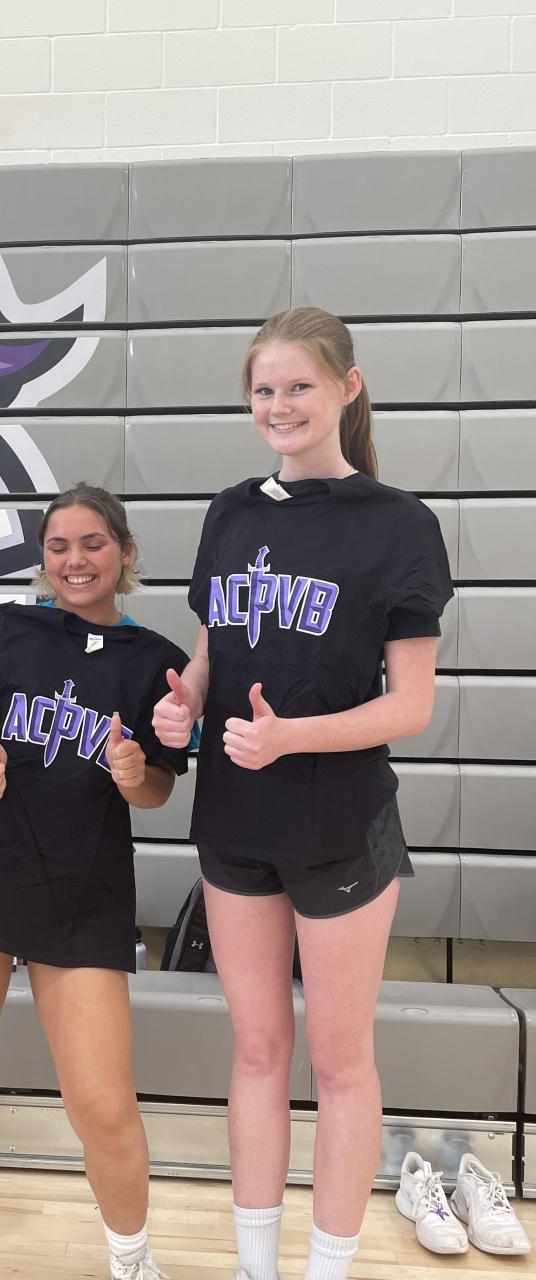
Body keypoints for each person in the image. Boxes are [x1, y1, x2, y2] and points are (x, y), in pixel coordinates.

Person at [153, 307, 453, 1280]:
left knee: (340, 1060)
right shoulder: (231, 512)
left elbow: (410, 705)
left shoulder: (399, 525)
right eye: (263, 389)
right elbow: (210, 651)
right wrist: (183, 706)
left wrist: (289, 737)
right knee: (255, 1051)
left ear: (347, 388)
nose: (278, 405)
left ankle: (327, 1269)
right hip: (234, 822)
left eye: (298, 386)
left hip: (341, 825)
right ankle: (257, 1267)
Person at [0, 484, 190, 1280]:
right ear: (43, 559)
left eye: (92, 544)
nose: (74, 560)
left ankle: (133, 1261)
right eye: (59, 546)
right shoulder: (1, 629)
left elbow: (158, 786)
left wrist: (134, 774)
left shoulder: (156, 661)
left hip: (84, 887)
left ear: (124, 553)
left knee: (103, 1103)